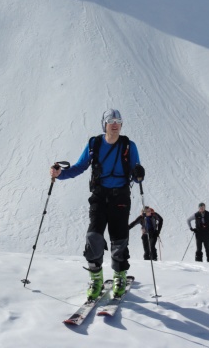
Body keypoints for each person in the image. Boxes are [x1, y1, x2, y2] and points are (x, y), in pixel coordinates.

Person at [50, 109, 145, 300]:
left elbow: (136, 173)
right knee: (93, 236)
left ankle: (119, 276)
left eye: (118, 120)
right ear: (104, 124)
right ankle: (96, 278)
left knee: (119, 239)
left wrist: (139, 173)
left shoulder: (129, 145)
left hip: (121, 197)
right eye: (111, 120)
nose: (115, 124)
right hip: (100, 196)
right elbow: (79, 167)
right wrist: (61, 174)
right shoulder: (95, 144)